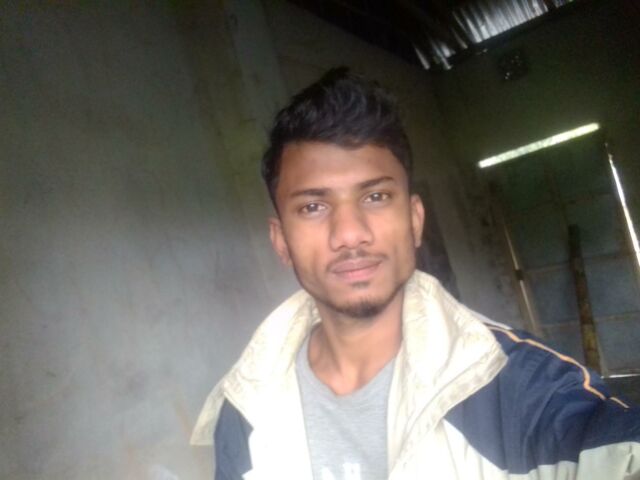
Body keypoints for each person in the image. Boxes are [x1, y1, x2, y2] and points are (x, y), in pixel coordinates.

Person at [191, 68, 640, 479]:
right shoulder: (244, 409)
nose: (349, 233)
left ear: (415, 219)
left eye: (375, 197)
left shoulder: (517, 384)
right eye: (312, 206)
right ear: (280, 241)